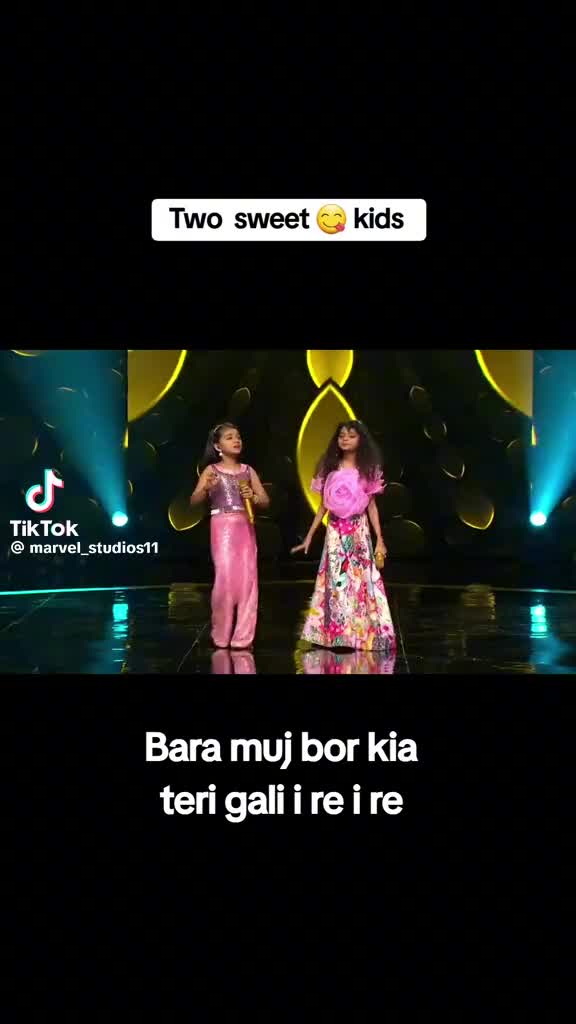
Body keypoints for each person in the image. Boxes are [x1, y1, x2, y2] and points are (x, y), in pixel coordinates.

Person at [292, 420, 395, 652]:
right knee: (337, 581)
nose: (345, 439)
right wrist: (309, 536)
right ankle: (338, 635)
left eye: (351, 435)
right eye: (341, 436)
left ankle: (362, 635)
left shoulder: (366, 469)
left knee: (360, 582)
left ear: (361, 440)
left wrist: (380, 539)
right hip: (335, 532)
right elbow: (323, 506)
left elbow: (371, 507)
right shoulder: (330, 468)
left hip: (358, 531)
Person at [191, 422, 269, 649]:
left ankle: (243, 637)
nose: (236, 440)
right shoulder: (211, 471)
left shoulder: (248, 470)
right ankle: (221, 634)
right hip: (222, 526)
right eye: (229, 437)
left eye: (238, 436)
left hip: (245, 526)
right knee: (224, 579)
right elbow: (194, 501)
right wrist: (206, 488)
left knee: (248, 581)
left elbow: (265, 500)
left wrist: (253, 496)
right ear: (217, 446)